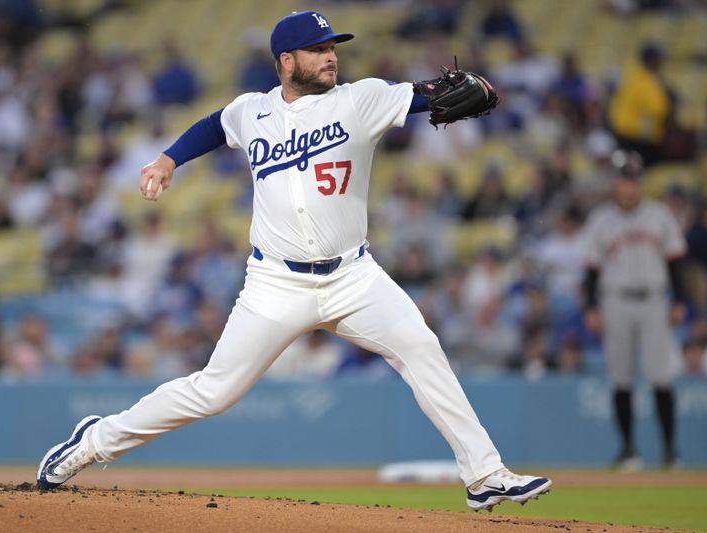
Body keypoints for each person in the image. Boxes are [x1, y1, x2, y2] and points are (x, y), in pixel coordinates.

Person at [36, 11, 551, 511]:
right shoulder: (252, 110)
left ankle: (484, 475)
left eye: (332, 48)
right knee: (214, 393)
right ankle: (94, 440)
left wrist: (472, 88)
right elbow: (214, 125)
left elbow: (421, 96)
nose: (331, 58)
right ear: (287, 61)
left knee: (422, 348)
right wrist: (169, 159)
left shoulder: (361, 99)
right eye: (319, 50)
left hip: (353, 277)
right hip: (275, 285)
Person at [582, 149, 687, 470]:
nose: (628, 186)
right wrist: (591, 307)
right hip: (616, 300)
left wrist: (680, 300)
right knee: (621, 377)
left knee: (661, 376)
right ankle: (628, 450)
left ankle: (670, 451)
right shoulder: (601, 220)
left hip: (655, 300)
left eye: (632, 180)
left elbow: (676, 263)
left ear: (639, 182)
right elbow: (591, 271)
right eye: (622, 180)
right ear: (615, 184)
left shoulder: (659, 215)